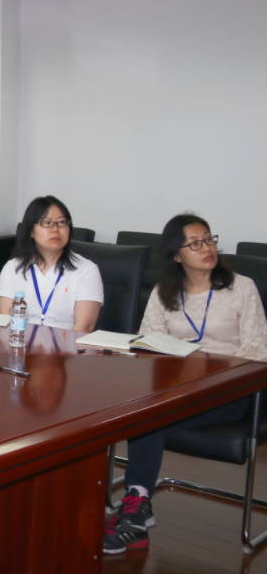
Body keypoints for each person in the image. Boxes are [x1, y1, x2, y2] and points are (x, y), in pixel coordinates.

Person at [106, 214, 267, 555]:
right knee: (146, 413)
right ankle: (138, 506)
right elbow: (148, 343)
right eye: (194, 243)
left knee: (150, 418)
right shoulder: (164, 293)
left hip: (230, 390)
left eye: (208, 239)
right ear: (176, 256)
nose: (206, 248)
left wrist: (208, 363)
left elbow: (258, 351)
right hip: (179, 386)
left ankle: (135, 508)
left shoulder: (242, 287)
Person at [0, 196, 103, 332]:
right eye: (47, 223)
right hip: (21, 341)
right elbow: (4, 321)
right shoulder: (13, 268)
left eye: (62, 222)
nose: (55, 229)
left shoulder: (86, 270)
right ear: (31, 231)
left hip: (67, 343)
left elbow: (84, 327)